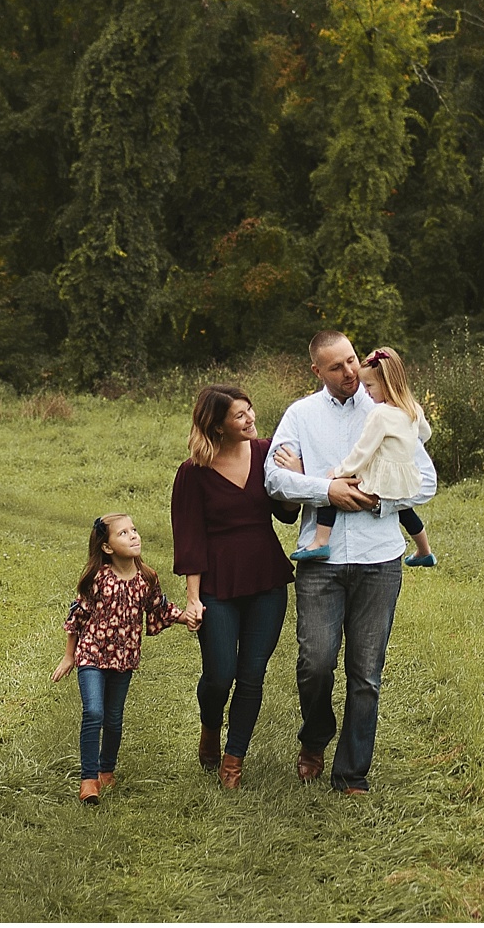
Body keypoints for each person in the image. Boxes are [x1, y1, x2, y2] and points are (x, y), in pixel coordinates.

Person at [263, 331, 437, 793]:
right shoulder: (300, 415)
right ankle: (316, 735)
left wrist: (375, 498)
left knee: (366, 673)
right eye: (336, 367)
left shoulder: (390, 409)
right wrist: (326, 490)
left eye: (352, 361)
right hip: (319, 560)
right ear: (317, 371)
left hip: (379, 558)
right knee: (315, 663)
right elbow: (275, 480)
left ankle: (352, 772)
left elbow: (426, 482)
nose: (349, 373)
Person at [169, 384, 300, 790]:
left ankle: (233, 760)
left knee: (252, 675)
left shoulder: (265, 453)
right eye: (239, 415)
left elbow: (287, 514)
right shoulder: (193, 472)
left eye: (250, 410)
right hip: (217, 583)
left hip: (266, 579)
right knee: (219, 675)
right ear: (217, 424)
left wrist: (294, 476)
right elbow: (189, 538)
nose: (250, 419)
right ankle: (210, 726)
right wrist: (193, 598)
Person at [50, 513, 195, 804]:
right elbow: (77, 616)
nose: (133, 536)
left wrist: (187, 617)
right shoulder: (98, 579)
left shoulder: (146, 579)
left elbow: (160, 608)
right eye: (123, 533)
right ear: (107, 547)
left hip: (124, 658)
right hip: (91, 654)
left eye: (134, 530)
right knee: (94, 713)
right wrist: (69, 656)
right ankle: (88, 780)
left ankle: (107, 770)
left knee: (114, 719)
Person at [284, 346, 437, 567]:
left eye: (369, 386)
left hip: (382, 476)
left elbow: (363, 452)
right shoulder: (412, 408)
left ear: (386, 384)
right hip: (404, 476)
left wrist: (338, 472)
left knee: (333, 488)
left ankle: (320, 542)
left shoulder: (379, 414)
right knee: (404, 509)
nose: (365, 391)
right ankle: (424, 550)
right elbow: (425, 434)